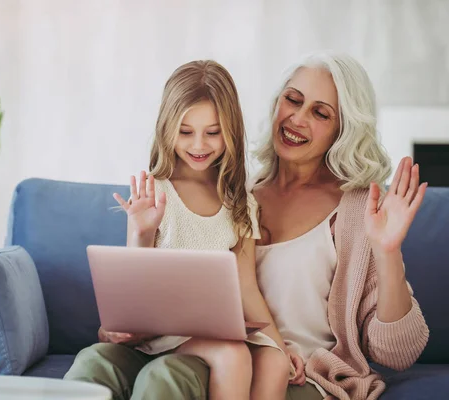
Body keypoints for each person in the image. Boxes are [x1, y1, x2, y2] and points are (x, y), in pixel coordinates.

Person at [64, 60, 300, 400]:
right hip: (155, 335)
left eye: (213, 132)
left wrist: (279, 344)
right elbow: (134, 281)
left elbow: (246, 286)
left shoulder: (239, 202)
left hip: (207, 336)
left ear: (230, 130)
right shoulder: (156, 193)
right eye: (186, 132)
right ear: (167, 128)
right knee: (94, 362)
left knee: (258, 358)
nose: (199, 145)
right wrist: (140, 231)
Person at [249, 51, 429, 399]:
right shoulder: (236, 195)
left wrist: (387, 251)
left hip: (305, 382)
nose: (298, 119)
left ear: (342, 130)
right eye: (293, 100)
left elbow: (398, 353)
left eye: (320, 113)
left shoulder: (359, 210)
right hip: (232, 366)